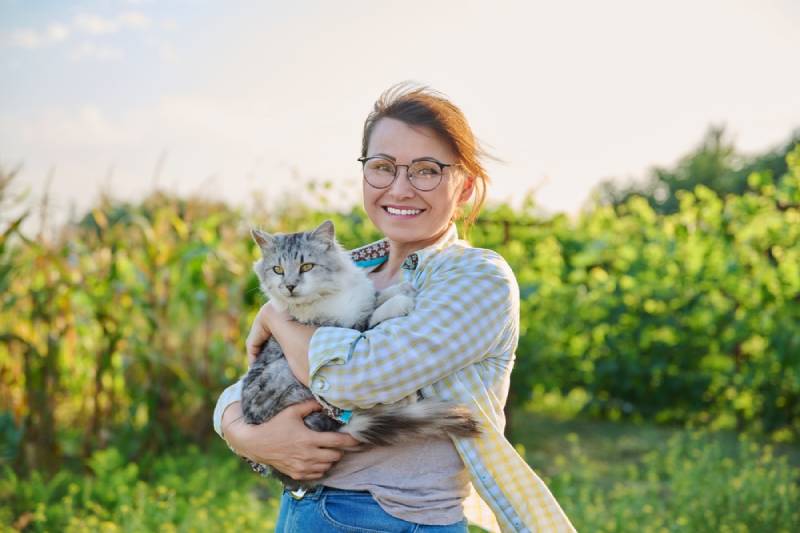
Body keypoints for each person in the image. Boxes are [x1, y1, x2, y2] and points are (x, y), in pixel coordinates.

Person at [213, 84, 575, 532]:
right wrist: (244, 434)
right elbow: (245, 384)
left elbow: (353, 380)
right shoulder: (350, 269)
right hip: (303, 509)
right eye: (382, 167)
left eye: (426, 170)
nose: (400, 189)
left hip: (390, 517)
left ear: (463, 187)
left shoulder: (477, 278)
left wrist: (275, 319)